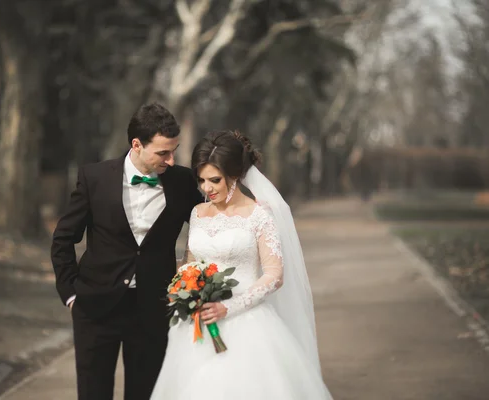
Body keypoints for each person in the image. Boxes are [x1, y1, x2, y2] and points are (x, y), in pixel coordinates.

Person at [151, 130, 333, 399]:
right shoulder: (198, 213)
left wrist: (229, 307)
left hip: (247, 323)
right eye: (201, 180)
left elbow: (274, 275)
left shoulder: (260, 215)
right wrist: (186, 289)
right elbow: (191, 264)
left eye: (214, 180)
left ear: (234, 175)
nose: (206, 188)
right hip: (197, 325)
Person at [51, 103, 203, 400]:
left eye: (174, 151)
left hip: (153, 308)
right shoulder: (94, 178)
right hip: (95, 308)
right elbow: (63, 238)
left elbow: (210, 228)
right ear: (137, 144)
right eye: (163, 152)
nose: (171, 160)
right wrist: (70, 294)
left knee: (146, 395)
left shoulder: (183, 182)